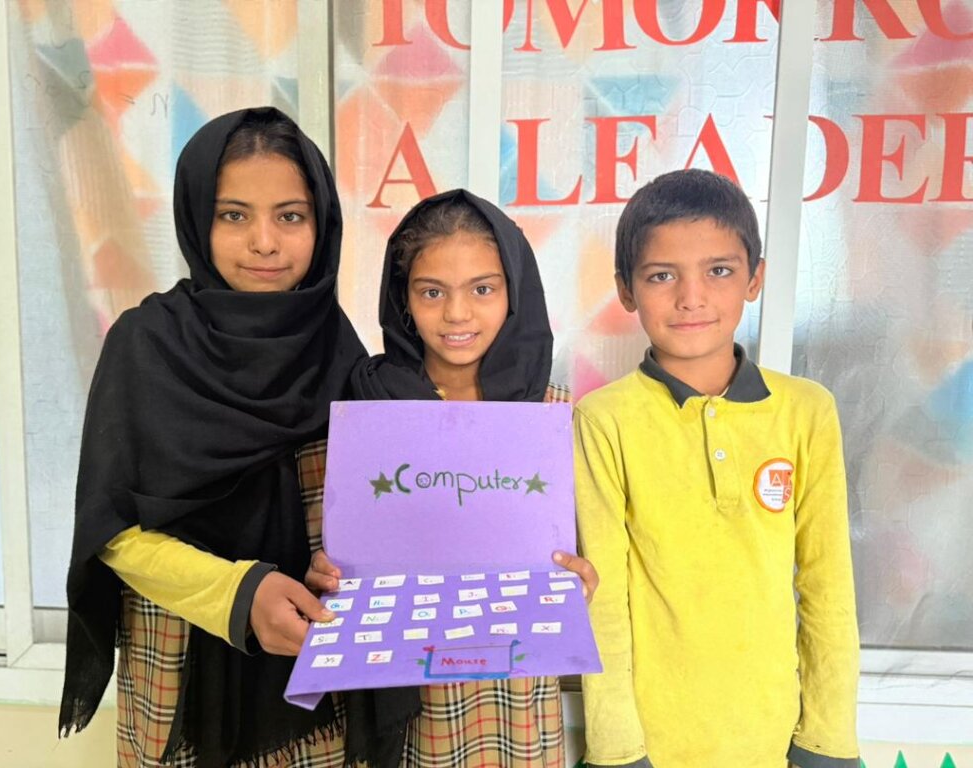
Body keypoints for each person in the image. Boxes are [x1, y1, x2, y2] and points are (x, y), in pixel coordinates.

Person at [59, 107, 369, 768]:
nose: (264, 242)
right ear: (198, 219)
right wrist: (239, 593)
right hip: (180, 682)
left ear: (322, 223)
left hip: (318, 680)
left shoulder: (341, 352)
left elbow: (368, 517)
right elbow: (111, 532)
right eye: (233, 215)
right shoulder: (147, 346)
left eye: (291, 216)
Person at [574, 169, 860, 768]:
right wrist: (617, 748)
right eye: (661, 276)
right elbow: (604, 602)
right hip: (652, 745)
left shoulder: (806, 411)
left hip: (776, 741)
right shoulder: (602, 420)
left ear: (755, 278)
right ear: (626, 289)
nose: (691, 297)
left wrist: (827, 740)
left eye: (719, 271)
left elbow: (827, 584)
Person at [307, 189, 598, 767]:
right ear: (403, 299)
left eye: (482, 289)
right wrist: (325, 568)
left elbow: (578, 554)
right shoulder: (366, 406)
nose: (457, 314)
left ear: (515, 293)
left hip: (513, 701)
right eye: (432, 291)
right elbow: (332, 543)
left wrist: (584, 578)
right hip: (405, 697)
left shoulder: (553, 414)